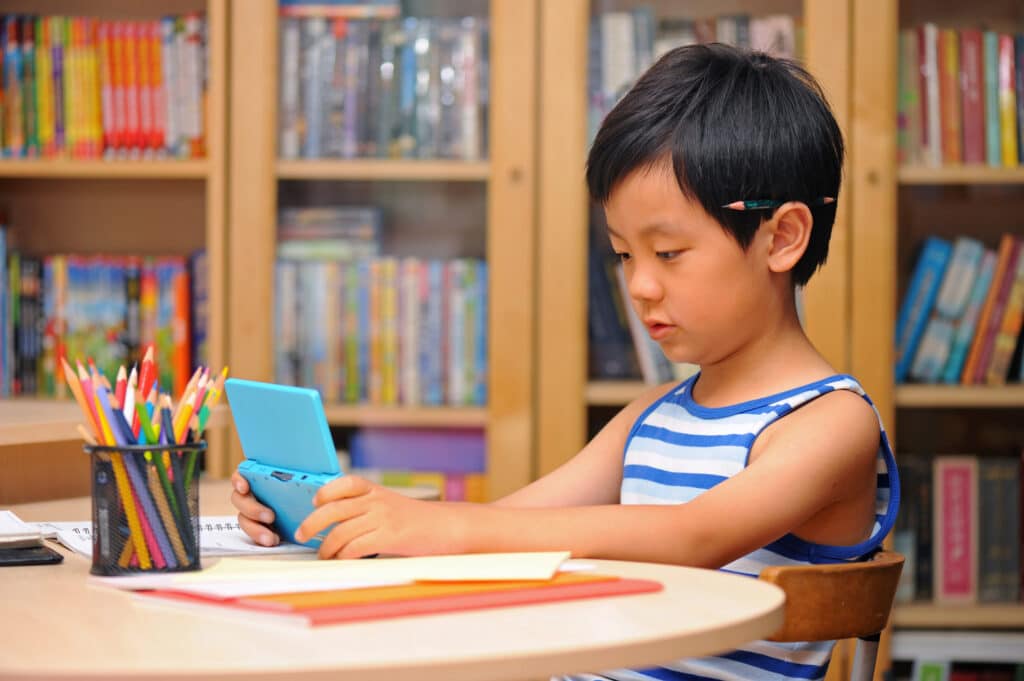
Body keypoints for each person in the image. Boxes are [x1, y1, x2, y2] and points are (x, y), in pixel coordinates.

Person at [231, 42, 899, 681]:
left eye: (667, 253)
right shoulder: (651, 417)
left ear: (781, 236)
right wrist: (330, 516)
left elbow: (693, 534)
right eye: (624, 254)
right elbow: (505, 530)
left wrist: (438, 523)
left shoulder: (832, 421)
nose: (639, 285)